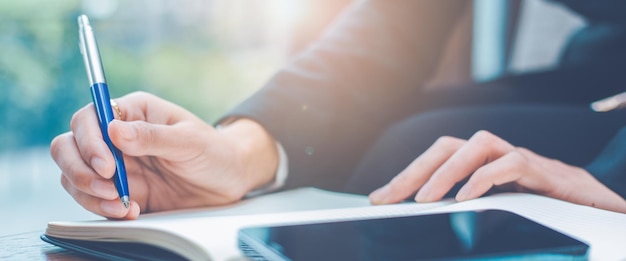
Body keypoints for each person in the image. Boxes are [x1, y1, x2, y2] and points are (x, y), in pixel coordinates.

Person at [50, 1, 626, 220]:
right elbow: (397, 20)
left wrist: (610, 183)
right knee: (409, 146)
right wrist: (243, 152)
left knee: (420, 156)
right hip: (597, 74)